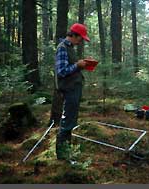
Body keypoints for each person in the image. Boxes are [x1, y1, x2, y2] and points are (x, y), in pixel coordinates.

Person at [54, 23, 90, 162]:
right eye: (80, 38)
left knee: (70, 121)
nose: (80, 41)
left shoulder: (70, 48)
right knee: (67, 122)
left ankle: (65, 153)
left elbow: (70, 68)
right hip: (69, 89)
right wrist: (77, 65)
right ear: (74, 35)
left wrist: (81, 65)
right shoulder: (63, 48)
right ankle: (63, 157)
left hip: (73, 88)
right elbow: (62, 71)